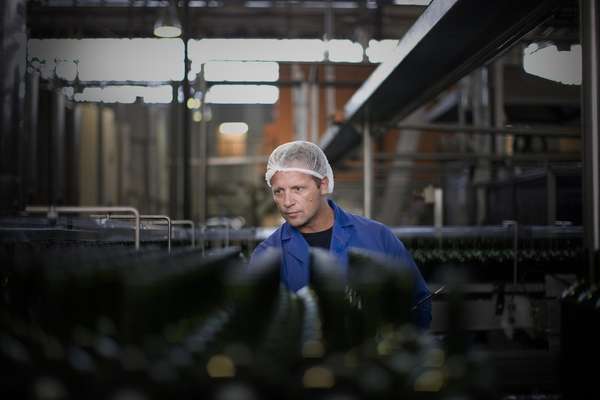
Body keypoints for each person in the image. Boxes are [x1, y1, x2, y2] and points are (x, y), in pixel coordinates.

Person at [250, 141, 431, 330]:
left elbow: (418, 302)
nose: (287, 202)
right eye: (279, 191)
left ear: (323, 185)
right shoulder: (266, 256)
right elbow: (258, 327)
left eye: (298, 189)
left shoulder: (377, 236)